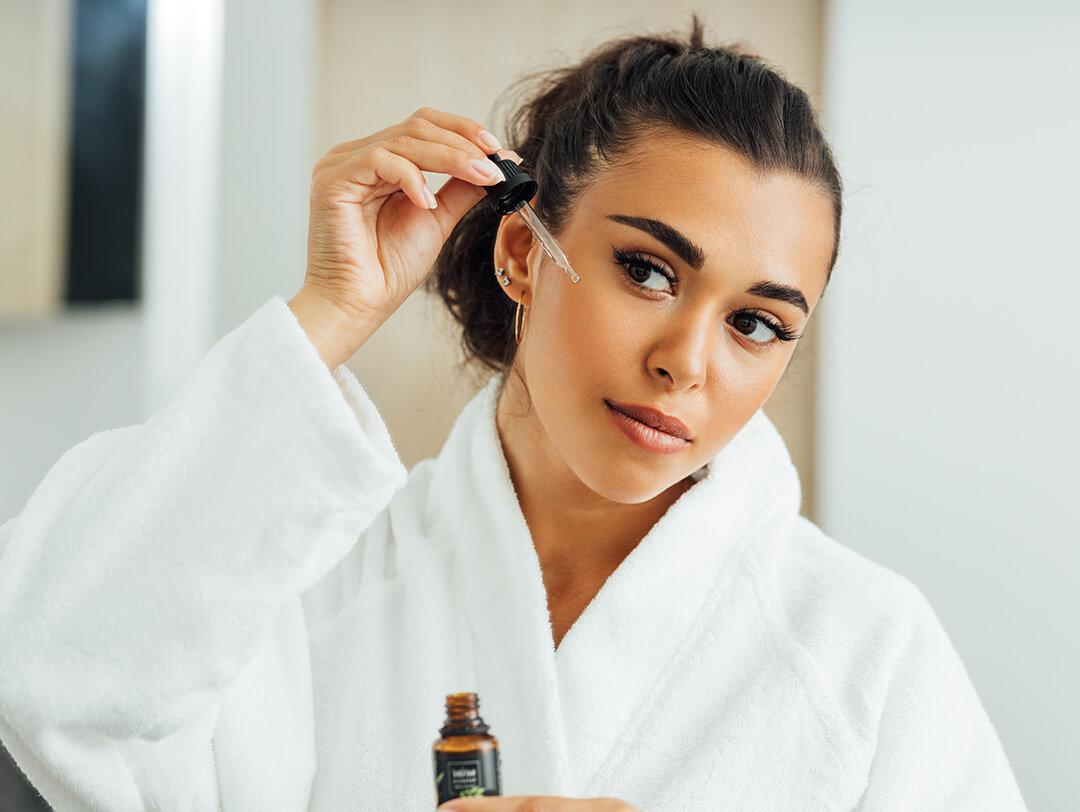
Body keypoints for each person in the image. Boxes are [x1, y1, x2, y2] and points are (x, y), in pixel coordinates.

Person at [0, 14, 1026, 811]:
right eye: (648, 269)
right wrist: (332, 308)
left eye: (757, 324)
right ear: (524, 252)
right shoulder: (305, 583)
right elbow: (48, 677)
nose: (686, 363)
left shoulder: (865, 649)